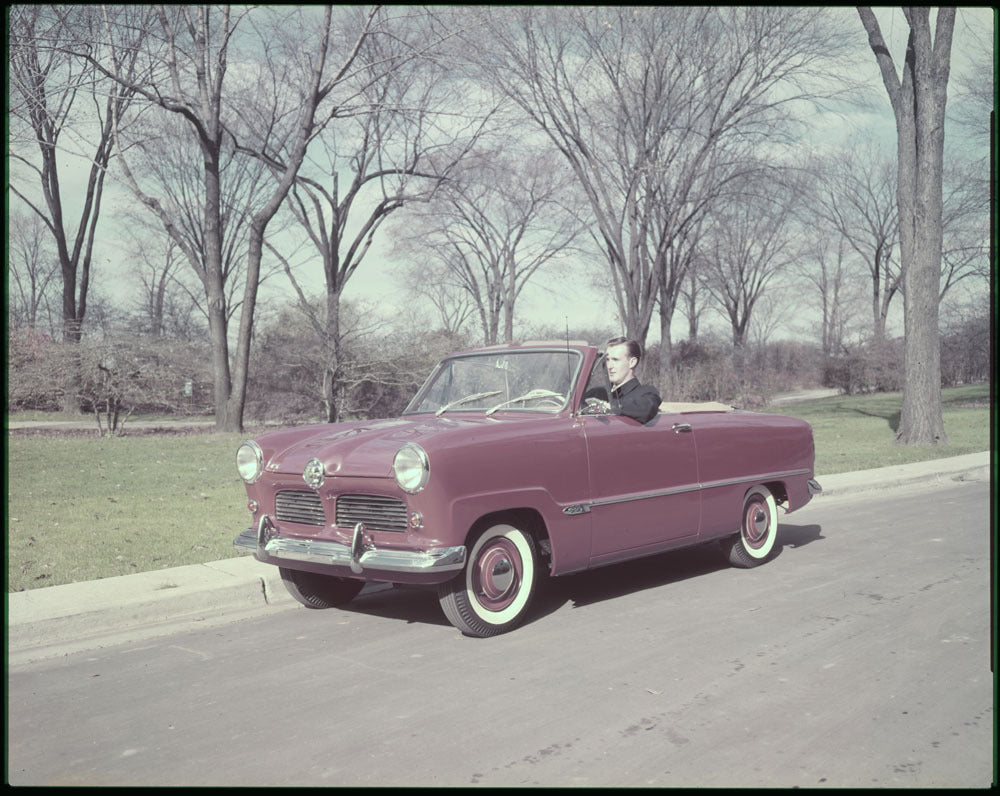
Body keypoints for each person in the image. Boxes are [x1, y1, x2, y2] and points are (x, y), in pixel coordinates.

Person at [603, 336, 661, 424]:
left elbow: (646, 409)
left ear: (632, 362)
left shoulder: (646, 393)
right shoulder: (598, 393)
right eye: (607, 360)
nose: (609, 366)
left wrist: (609, 406)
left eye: (615, 360)